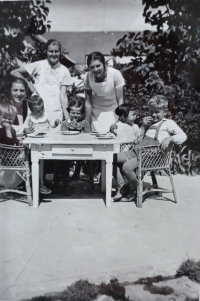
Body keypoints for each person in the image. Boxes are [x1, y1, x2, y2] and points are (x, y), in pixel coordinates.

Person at [117, 95, 187, 202]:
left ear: (165, 111)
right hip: (137, 151)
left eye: (157, 112)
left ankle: (133, 190)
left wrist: (170, 139)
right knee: (110, 158)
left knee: (126, 167)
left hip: (151, 157)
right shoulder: (149, 123)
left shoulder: (168, 123)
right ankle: (123, 185)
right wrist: (143, 126)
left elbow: (183, 136)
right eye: (151, 111)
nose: (153, 115)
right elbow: (137, 141)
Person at [10, 39, 73, 124]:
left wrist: (68, 120)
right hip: (36, 112)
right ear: (46, 51)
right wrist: (28, 84)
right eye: (51, 51)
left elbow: (63, 97)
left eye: (56, 51)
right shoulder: (40, 65)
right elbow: (14, 72)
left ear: (60, 52)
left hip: (55, 114)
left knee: (54, 136)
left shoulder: (64, 70)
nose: (54, 54)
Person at [84, 51, 125, 132]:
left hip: (113, 110)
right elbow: (88, 103)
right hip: (95, 112)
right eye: (92, 67)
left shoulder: (115, 74)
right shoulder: (88, 77)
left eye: (98, 66)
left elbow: (120, 101)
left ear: (104, 64)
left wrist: (121, 122)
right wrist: (86, 124)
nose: (95, 69)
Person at [58, 99, 90, 194]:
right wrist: (68, 128)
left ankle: (77, 173)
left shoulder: (85, 123)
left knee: (84, 159)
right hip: (68, 149)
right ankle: (65, 184)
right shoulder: (65, 123)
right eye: (73, 113)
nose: (75, 115)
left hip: (82, 149)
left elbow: (89, 136)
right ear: (69, 112)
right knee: (64, 163)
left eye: (78, 113)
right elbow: (61, 135)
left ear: (83, 114)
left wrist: (82, 131)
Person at [110, 104, 140, 201]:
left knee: (111, 159)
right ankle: (122, 185)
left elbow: (139, 140)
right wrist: (111, 131)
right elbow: (111, 139)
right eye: (133, 115)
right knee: (109, 160)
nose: (136, 117)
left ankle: (123, 187)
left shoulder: (135, 127)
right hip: (119, 151)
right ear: (123, 116)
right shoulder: (116, 126)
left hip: (131, 153)